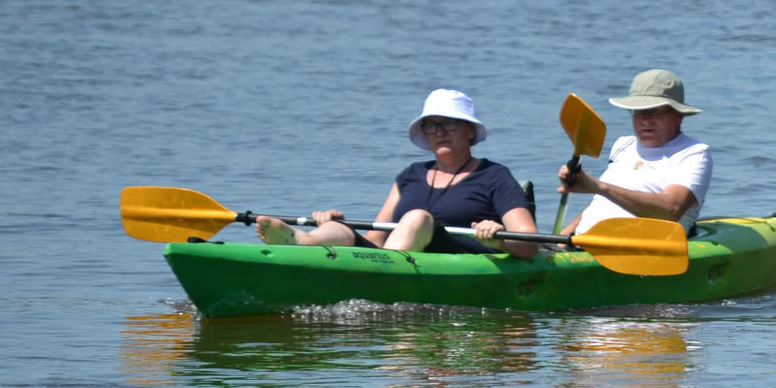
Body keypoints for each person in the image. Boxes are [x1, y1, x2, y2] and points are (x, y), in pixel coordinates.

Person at [254, 89, 539, 258]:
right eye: (431, 125)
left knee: (417, 218)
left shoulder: (495, 176)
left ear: (469, 131)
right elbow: (377, 237)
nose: (439, 132)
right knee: (341, 228)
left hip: (456, 258)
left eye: (449, 124)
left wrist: (498, 237)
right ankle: (303, 242)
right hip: (393, 255)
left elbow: (530, 243)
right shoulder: (410, 175)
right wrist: (335, 226)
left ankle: (384, 273)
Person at [558, 69, 712, 234]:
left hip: (640, 252)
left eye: (656, 111)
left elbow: (671, 210)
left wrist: (599, 186)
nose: (646, 120)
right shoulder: (623, 145)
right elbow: (605, 202)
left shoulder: (693, 154)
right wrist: (563, 236)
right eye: (638, 111)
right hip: (582, 244)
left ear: (679, 115)